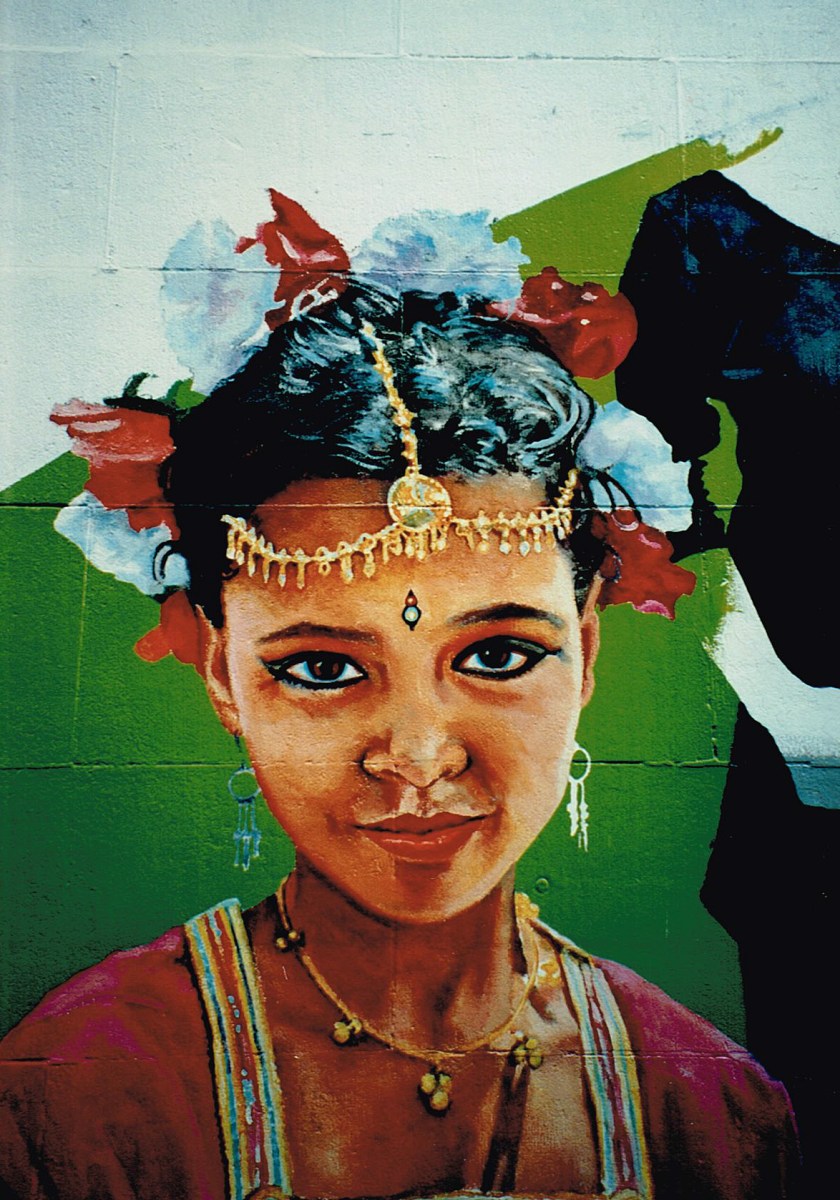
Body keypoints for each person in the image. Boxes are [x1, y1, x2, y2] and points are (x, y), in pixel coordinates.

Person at [0, 197, 799, 1199]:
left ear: (586, 652)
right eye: (323, 669)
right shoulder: (79, 1103)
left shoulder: (713, 1114)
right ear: (221, 673)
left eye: (499, 655)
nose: (420, 756)